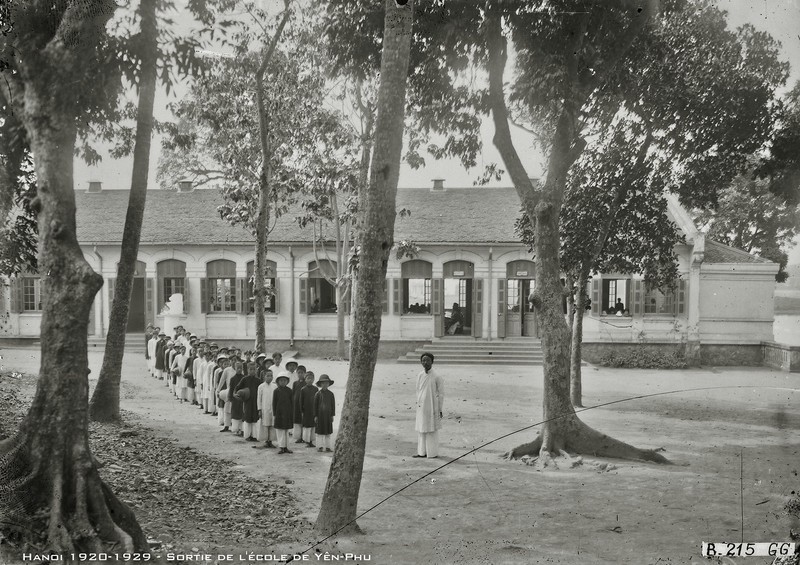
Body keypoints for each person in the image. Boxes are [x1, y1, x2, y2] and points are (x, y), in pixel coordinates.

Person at [414, 352, 444, 458]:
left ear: (432, 362)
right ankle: (421, 452)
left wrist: (440, 408)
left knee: (431, 429)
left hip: (432, 406)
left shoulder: (437, 376)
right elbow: (418, 390)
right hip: (421, 406)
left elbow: (441, 394)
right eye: (423, 360)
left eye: (427, 360)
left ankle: (432, 453)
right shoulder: (420, 375)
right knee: (421, 428)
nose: (425, 363)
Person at [235, 362, 261, 442]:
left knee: (255, 418)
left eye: (254, 369)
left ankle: (254, 436)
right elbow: (237, 388)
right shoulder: (244, 379)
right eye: (250, 369)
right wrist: (238, 394)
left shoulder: (258, 380)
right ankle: (247, 435)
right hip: (248, 402)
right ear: (247, 370)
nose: (252, 371)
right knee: (247, 417)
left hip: (256, 402)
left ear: (256, 370)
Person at [272, 371, 294, 454]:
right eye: (281, 380)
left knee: (286, 431)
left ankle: (287, 447)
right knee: (280, 431)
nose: (283, 382)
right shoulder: (276, 391)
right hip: (279, 414)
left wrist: (291, 413)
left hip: (287, 413)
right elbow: (274, 403)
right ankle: (281, 447)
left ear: (287, 382)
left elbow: (292, 403)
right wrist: (275, 414)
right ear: (278, 381)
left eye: (284, 380)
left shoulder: (290, 391)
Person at [314, 374, 335, 453]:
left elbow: (333, 405)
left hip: (328, 416)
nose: (325, 385)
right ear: (320, 384)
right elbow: (315, 406)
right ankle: (319, 446)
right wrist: (315, 415)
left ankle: (328, 447)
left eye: (326, 383)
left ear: (329, 384)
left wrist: (332, 415)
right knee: (319, 432)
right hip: (320, 416)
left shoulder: (331, 394)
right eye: (323, 383)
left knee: (328, 432)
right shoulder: (318, 394)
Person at [256, 368, 276, 448]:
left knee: (272, 425)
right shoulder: (261, 386)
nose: (270, 377)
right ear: (264, 377)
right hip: (264, 409)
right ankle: (266, 440)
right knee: (265, 425)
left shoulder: (274, 386)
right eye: (268, 376)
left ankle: (271, 441)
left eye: (271, 376)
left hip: (272, 408)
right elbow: (259, 399)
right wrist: (259, 409)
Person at [300, 372, 318, 448]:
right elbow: (301, 401)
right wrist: (302, 411)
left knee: (313, 426)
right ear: (305, 379)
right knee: (307, 427)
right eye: (308, 378)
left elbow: (317, 400)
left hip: (313, 411)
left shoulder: (315, 389)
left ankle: (311, 441)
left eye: (311, 378)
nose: (310, 380)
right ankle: (307, 441)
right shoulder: (303, 389)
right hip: (306, 411)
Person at [229, 362, 245, 436]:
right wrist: (230, 398)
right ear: (235, 368)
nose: (239, 370)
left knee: (242, 414)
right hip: (235, 399)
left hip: (242, 399)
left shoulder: (244, 378)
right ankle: (235, 429)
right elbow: (231, 389)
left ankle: (241, 429)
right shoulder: (232, 379)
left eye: (240, 368)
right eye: (238, 368)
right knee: (235, 414)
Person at [292, 366, 307, 443]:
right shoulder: (295, 383)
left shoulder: (306, 383)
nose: (300, 374)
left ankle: (304, 437)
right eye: (299, 373)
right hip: (296, 405)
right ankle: (299, 437)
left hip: (303, 405)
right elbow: (293, 394)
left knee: (303, 421)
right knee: (297, 421)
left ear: (305, 373)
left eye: (302, 373)